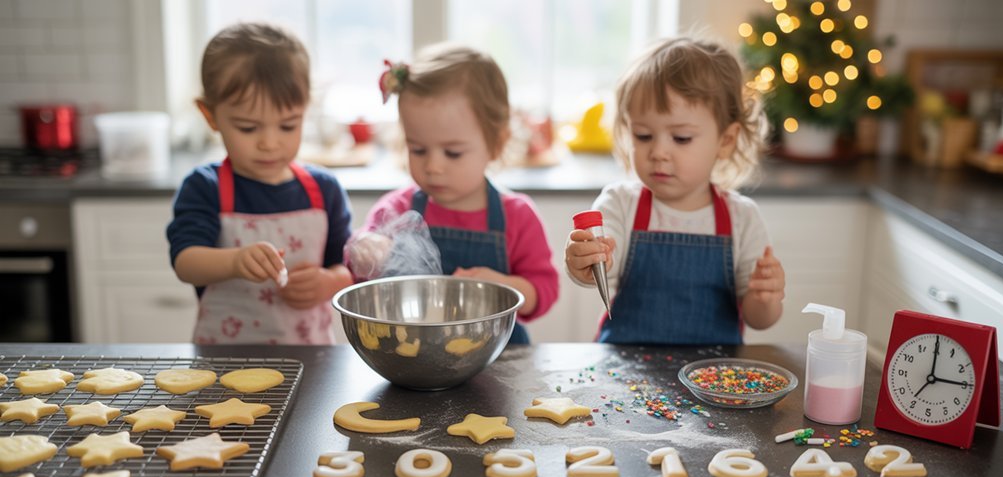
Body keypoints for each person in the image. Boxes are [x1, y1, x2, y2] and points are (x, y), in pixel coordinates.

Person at [564, 35, 785, 345]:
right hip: (627, 372)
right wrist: (585, 261)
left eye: (680, 138)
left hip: (713, 381)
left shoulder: (742, 218)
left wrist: (765, 298)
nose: (659, 152)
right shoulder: (620, 204)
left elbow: (759, 320)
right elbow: (598, 269)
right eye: (643, 136)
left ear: (726, 140)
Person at [356, 44, 559, 344]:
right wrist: (365, 251)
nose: (433, 166)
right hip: (411, 359)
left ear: (496, 143)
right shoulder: (397, 209)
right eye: (418, 149)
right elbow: (361, 273)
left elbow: (544, 289)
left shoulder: (517, 216)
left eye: (452, 153)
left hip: (499, 362)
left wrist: (505, 287)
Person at [166, 22, 354, 344]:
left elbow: (348, 268)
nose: (269, 143)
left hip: (312, 360)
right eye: (248, 128)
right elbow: (186, 262)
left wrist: (328, 282)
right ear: (210, 116)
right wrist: (236, 261)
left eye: (287, 125)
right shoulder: (205, 187)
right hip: (223, 362)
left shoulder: (324, 190)